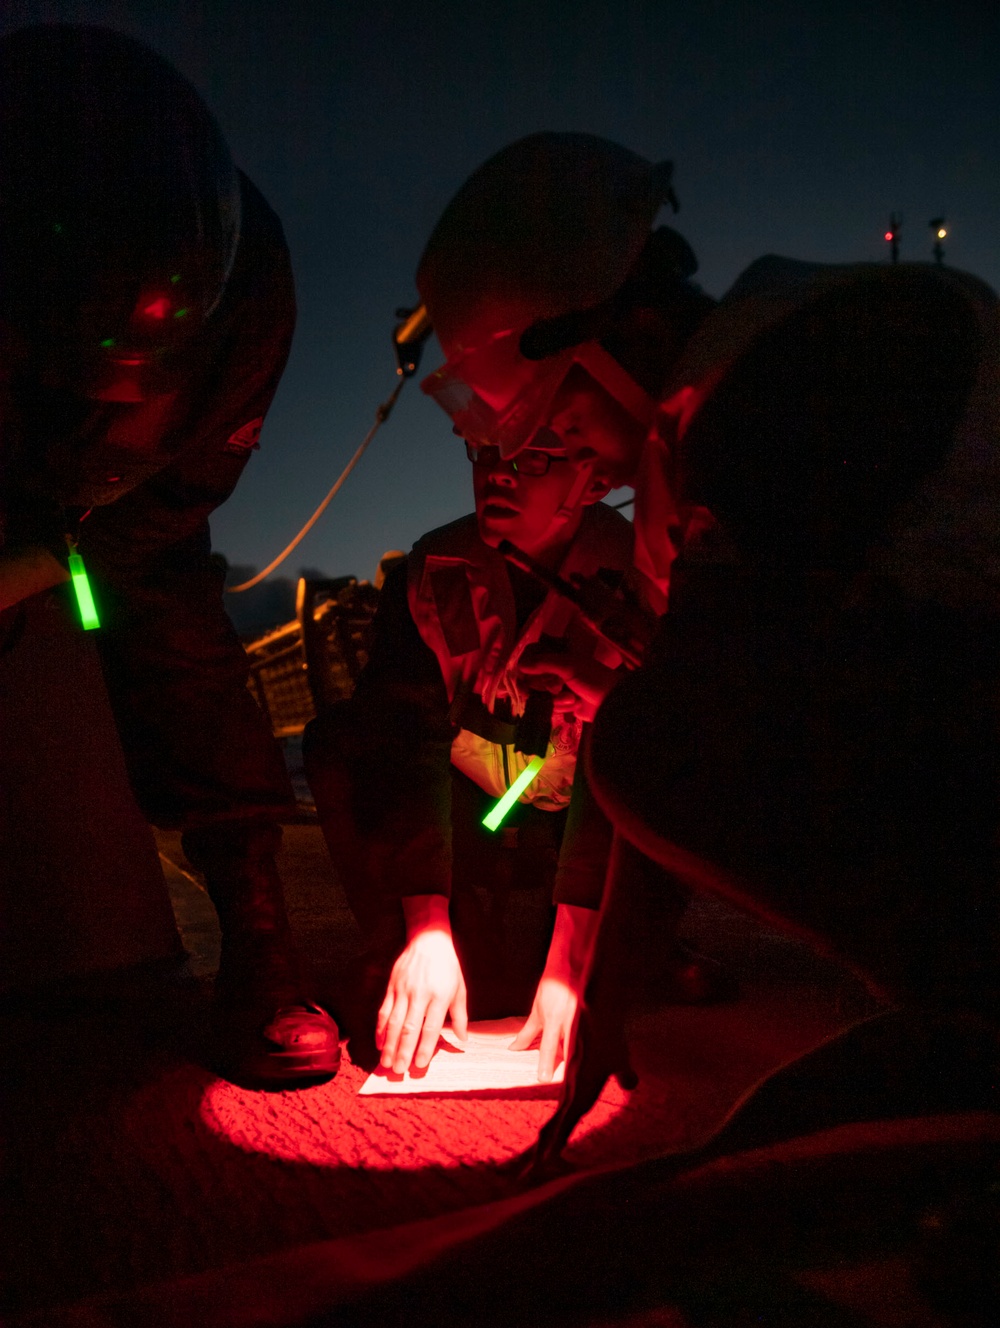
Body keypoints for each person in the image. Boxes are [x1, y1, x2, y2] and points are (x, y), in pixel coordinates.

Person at [412, 132, 1000, 1147]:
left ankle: (976, 1005)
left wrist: (598, 974)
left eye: (557, 422)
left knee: (640, 745)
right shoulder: (764, 352)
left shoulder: (779, 393)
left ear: (618, 331)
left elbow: (691, 716)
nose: (568, 458)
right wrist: (605, 994)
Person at [0, 24, 340, 1087]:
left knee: (176, 632)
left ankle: (256, 934)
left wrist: (68, 552)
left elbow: (181, 494)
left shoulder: (249, 301)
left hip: (134, 512)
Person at [304, 420, 724, 1080]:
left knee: (667, 747)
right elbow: (404, 742)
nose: (498, 472)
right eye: (488, 451)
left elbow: (642, 752)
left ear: (593, 481)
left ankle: (631, 941)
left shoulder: (640, 576)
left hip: (579, 807)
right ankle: (408, 956)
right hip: (473, 805)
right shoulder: (433, 572)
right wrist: (426, 927)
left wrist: (571, 956)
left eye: (535, 459)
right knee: (339, 742)